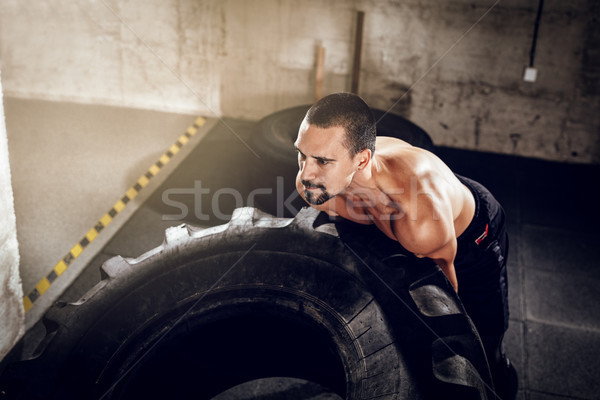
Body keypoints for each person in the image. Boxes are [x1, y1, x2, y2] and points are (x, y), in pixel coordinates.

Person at [294, 92, 517, 399]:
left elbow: (448, 312)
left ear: (361, 160)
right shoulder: (318, 185)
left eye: (321, 161)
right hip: (391, 205)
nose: (305, 173)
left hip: (471, 232)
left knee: (481, 338)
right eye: (302, 155)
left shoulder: (420, 219)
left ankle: (501, 385)